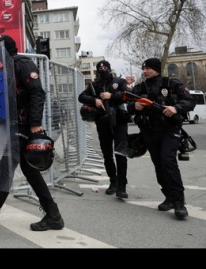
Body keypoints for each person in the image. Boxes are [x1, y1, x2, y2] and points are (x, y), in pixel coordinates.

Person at [0, 35, 64, 236]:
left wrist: (35, 123)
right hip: (14, 125)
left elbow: (37, 93)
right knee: (29, 171)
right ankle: (54, 216)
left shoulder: (23, 64)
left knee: (7, 169)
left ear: (5, 49)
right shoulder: (5, 69)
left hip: (25, 126)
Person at [127, 58, 196, 219]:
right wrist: (134, 106)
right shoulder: (139, 88)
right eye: (143, 68)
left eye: (148, 68)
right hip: (149, 132)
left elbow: (189, 101)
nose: (144, 71)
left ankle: (179, 202)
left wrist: (175, 107)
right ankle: (169, 197)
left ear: (157, 69)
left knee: (168, 161)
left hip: (169, 130)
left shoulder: (171, 84)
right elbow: (126, 107)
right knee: (158, 165)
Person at [79, 60, 132, 198]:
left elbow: (128, 94)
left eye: (105, 67)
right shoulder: (95, 85)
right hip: (103, 122)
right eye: (100, 68)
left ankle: (122, 186)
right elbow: (81, 96)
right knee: (107, 155)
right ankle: (113, 182)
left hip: (119, 122)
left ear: (109, 68)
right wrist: (95, 100)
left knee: (120, 153)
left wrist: (112, 96)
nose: (103, 69)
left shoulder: (119, 81)